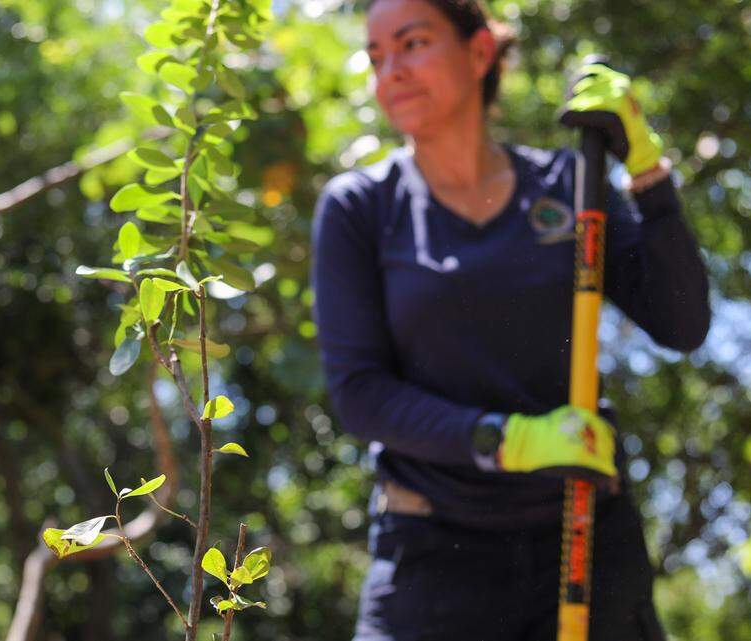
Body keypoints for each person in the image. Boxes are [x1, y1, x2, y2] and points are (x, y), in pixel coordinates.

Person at [308, 1, 711, 640]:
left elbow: (682, 323)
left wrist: (646, 169)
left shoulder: (571, 185)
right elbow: (360, 394)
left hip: (583, 538)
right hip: (435, 560)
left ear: (479, 53)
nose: (391, 72)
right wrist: (507, 440)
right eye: (377, 56)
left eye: (412, 43)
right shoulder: (361, 207)